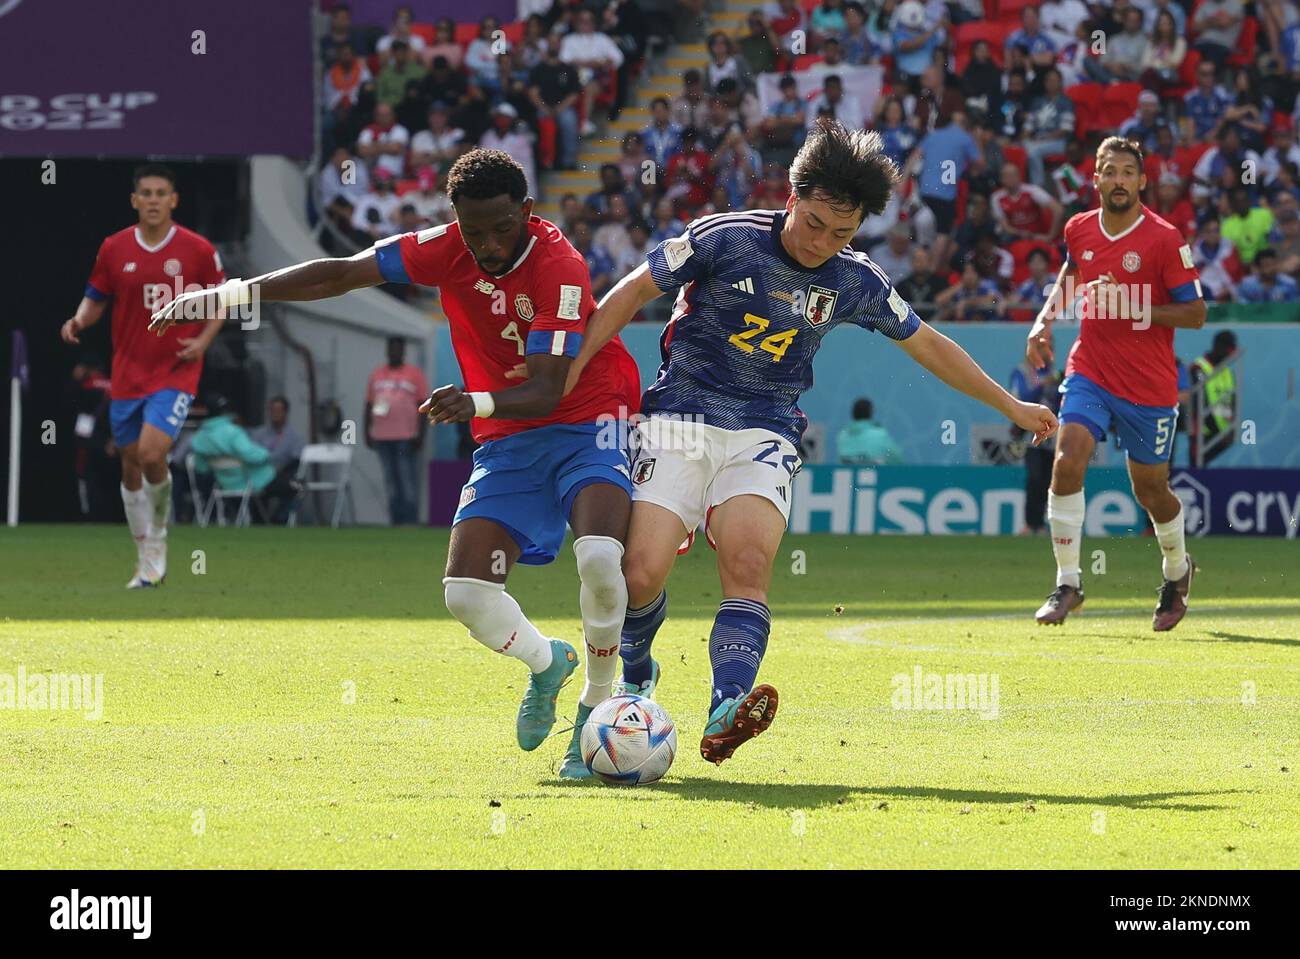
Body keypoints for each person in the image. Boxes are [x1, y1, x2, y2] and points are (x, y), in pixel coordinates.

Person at [568, 122, 1057, 766]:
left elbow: (930, 344)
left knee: (748, 566)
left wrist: (1012, 405)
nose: (824, 243)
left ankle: (727, 705)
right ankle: (635, 677)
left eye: (843, 234)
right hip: (682, 417)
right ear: (793, 196)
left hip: (766, 428)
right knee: (640, 574)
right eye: (817, 223)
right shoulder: (725, 237)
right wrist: (568, 373)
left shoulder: (855, 280)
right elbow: (634, 291)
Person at [150, 149, 642, 777]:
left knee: (600, 557)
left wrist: (474, 400)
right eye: (472, 230)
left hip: (585, 418)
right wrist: (231, 295)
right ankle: (548, 663)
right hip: (508, 437)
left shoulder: (561, 268)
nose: (487, 245)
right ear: (454, 219)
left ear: (526, 211)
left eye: (501, 228)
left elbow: (548, 387)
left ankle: (596, 712)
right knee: (465, 594)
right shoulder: (446, 247)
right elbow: (340, 274)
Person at [1026, 136, 1207, 632]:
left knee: (1151, 491)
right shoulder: (1079, 228)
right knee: (1066, 462)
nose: (1119, 180)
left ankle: (1176, 571)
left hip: (1149, 386)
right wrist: (1045, 320)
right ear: (1097, 179)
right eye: (1110, 171)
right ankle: (1068, 583)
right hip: (1090, 371)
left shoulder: (1165, 239)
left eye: (1129, 172)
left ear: (1143, 180)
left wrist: (1135, 307)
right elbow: (1071, 269)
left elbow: (1196, 313)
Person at [60, 164, 225, 588]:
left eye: (161, 193)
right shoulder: (114, 249)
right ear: (134, 200)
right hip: (128, 375)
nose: (153, 200)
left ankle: (159, 539)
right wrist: (79, 321)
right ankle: (144, 553)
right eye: (146, 193)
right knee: (131, 466)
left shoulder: (198, 249)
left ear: (174, 200)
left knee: (153, 454)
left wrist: (204, 340)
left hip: (176, 371)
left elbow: (222, 299)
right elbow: (95, 297)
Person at [190, 394, 302, 521]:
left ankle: (261, 520)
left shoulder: (199, 437)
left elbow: (201, 468)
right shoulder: (232, 432)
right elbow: (251, 455)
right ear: (225, 412)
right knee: (297, 487)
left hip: (223, 484)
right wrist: (266, 455)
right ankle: (278, 520)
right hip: (252, 481)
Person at [365, 338, 428, 525]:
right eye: (391, 348)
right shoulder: (377, 374)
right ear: (387, 350)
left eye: (398, 349)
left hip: (406, 436)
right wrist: (366, 431)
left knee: (407, 480)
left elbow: (423, 405)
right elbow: (368, 404)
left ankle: (410, 521)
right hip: (382, 436)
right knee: (390, 481)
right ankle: (396, 522)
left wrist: (421, 435)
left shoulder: (414, 374)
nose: (394, 352)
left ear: (403, 351)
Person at [1009, 360, 1062, 534]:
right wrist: (1042, 386)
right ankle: (1031, 523)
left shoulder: (1055, 374)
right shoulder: (1021, 373)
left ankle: (1042, 523)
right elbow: (1020, 399)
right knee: (1035, 478)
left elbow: (1060, 402)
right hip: (1029, 436)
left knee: (1048, 480)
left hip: (1052, 438)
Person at [1188, 330, 1238, 466]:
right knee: (1196, 467)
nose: (1229, 356)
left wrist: (1231, 427)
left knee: (1205, 467)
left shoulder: (1227, 371)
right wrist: (1215, 428)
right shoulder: (1199, 368)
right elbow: (1199, 400)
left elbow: (1232, 399)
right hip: (1203, 429)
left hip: (1222, 430)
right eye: (1227, 351)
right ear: (1218, 347)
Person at [836, 398, 902, 464]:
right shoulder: (880, 435)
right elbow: (897, 459)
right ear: (871, 413)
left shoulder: (842, 436)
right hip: (877, 473)